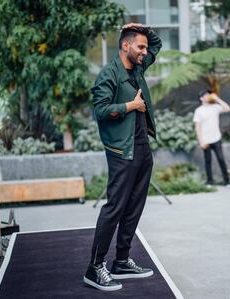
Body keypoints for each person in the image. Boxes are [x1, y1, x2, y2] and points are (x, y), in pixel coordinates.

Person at [84, 23, 162, 291]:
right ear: (125, 46)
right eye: (140, 46)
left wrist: (142, 28)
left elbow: (157, 44)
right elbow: (101, 110)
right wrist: (132, 105)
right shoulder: (108, 74)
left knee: (134, 207)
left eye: (145, 47)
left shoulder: (138, 67)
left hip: (141, 148)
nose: (145, 51)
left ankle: (121, 260)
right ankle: (94, 267)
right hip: (121, 151)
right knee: (115, 208)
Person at [193, 90, 230, 186]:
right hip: (206, 140)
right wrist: (201, 141)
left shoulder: (215, 107)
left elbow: (228, 109)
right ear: (201, 98)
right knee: (208, 161)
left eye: (208, 95)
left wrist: (217, 99)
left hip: (216, 138)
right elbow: (198, 127)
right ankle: (209, 181)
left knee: (221, 159)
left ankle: (227, 181)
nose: (208, 96)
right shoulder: (199, 111)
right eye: (205, 95)